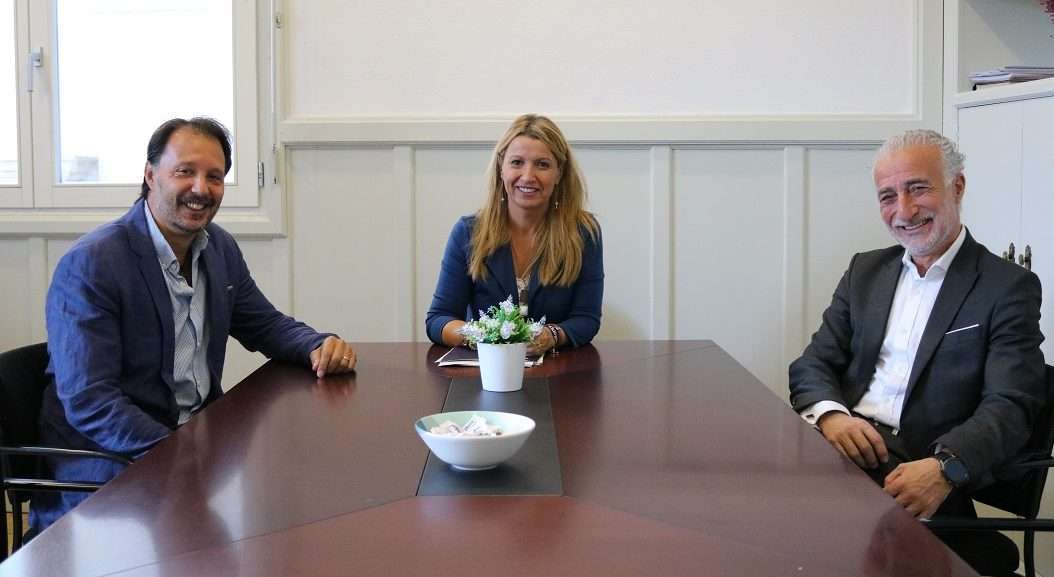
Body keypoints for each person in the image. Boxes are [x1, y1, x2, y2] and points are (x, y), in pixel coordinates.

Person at [32, 117, 357, 534]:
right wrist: (180, 452)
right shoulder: (93, 264)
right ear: (150, 175)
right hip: (114, 463)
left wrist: (317, 344)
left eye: (215, 177)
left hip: (197, 446)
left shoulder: (217, 247)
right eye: (185, 172)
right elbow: (91, 402)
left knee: (304, 491)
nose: (201, 189)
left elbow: (264, 323)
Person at [789, 129, 1045, 575]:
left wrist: (946, 469)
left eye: (918, 188)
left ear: (957, 187)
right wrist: (832, 416)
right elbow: (813, 364)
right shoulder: (865, 271)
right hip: (846, 453)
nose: (903, 211)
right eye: (888, 196)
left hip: (919, 472)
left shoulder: (1006, 287)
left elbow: (1012, 404)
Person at [426, 114, 603, 355]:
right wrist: (482, 336)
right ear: (501, 168)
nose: (528, 176)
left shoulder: (583, 232)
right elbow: (439, 319)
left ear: (559, 173)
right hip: (484, 376)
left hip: (558, 377)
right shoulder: (468, 232)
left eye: (542, 164)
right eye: (517, 162)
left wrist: (551, 335)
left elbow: (586, 319)